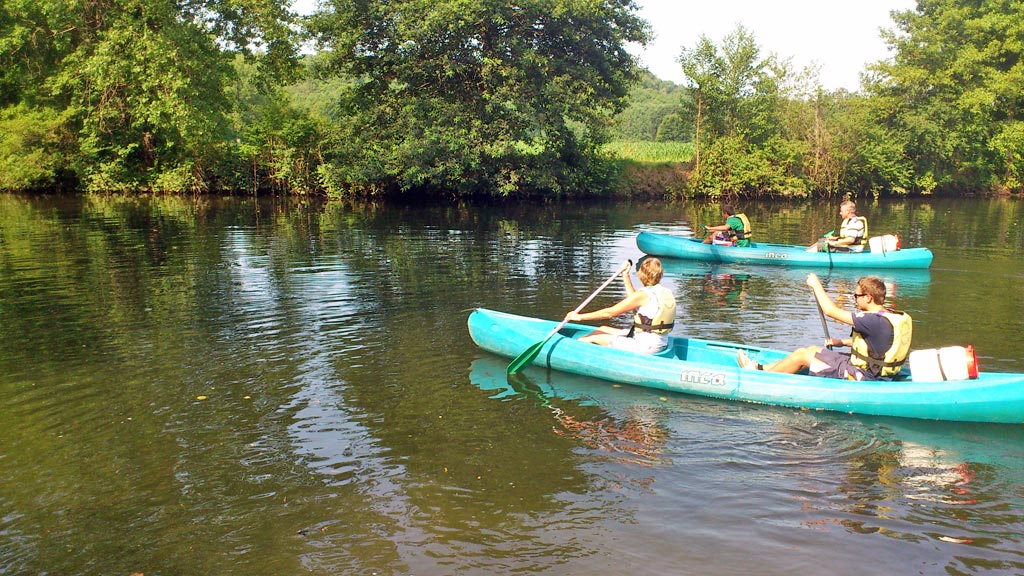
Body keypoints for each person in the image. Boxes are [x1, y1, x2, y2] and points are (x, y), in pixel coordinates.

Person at [737, 273, 912, 380]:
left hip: (864, 375)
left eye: (857, 295)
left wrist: (816, 285)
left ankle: (763, 380)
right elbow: (875, 346)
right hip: (875, 370)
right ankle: (759, 369)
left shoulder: (871, 320)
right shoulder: (889, 315)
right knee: (812, 349)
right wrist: (840, 342)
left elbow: (830, 310)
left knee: (802, 356)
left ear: (868, 298)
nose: (854, 298)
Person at [565, 257, 676, 354]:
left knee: (592, 338)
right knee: (602, 329)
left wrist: (579, 317)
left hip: (646, 346)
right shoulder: (663, 292)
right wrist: (625, 275)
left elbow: (609, 313)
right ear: (660, 274)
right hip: (659, 342)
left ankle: (572, 352)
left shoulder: (644, 295)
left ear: (641, 275)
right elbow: (633, 300)